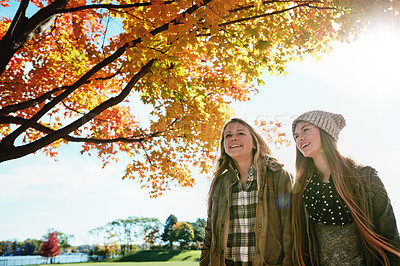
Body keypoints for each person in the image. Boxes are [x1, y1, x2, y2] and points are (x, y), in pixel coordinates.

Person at [291, 110, 400, 266]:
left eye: (306, 130)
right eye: (295, 136)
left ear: (326, 132)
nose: (299, 138)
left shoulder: (365, 177)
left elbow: (389, 234)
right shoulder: (302, 188)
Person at [200, 118, 293, 266]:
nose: (233, 138)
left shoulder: (278, 176)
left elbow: (290, 229)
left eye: (241, 133)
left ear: (255, 143)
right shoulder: (219, 183)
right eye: (228, 135)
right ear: (224, 146)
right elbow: (210, 234)